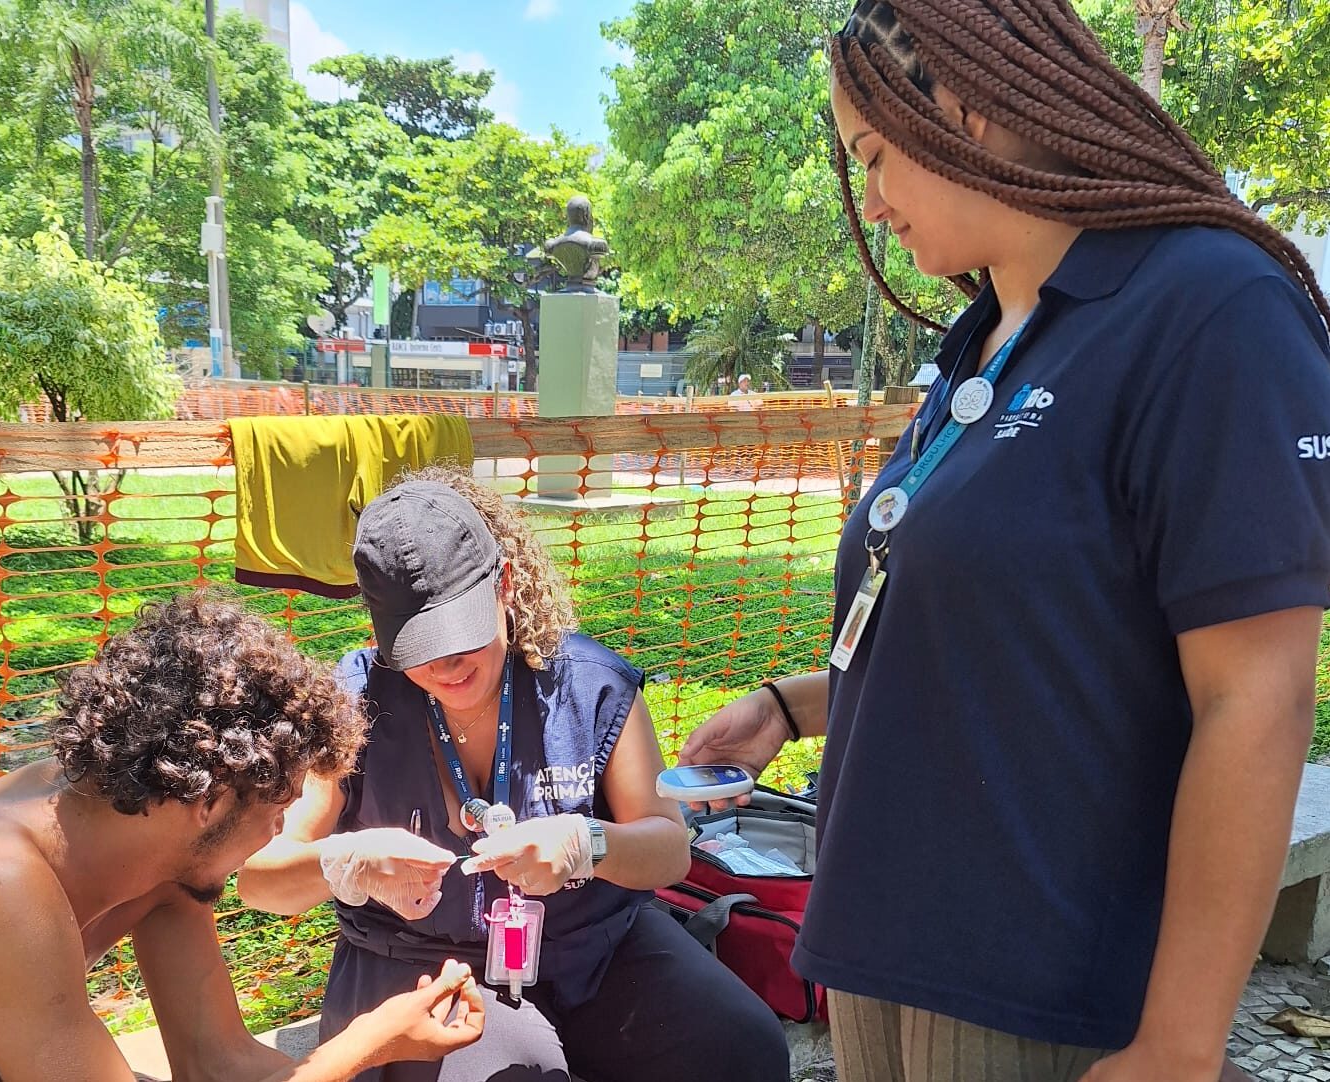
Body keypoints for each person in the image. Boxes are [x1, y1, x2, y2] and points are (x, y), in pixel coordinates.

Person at [678, 1, 1330, 1080]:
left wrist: (1176, 1044)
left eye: (876, 156)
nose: (873, 203)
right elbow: (1002, 639)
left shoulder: (1213, 309)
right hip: (876, 948)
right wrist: (790, 705)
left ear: (969, 107)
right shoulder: (988, 337)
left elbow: (1255, 696)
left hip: (1035, 987)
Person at [239, 467, 789, 1082]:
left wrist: (589, 846)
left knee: (743, 1049)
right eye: (416, 645)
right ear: (377, 626)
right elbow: (259, 882)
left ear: (504, 585)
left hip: (593, 952)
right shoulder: (353, 703)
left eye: (462, 634)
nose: (446, 665)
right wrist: (345, 861)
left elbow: (668, 852)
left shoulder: (591, 684)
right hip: (426, 968)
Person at [0, 591, 485, 1082]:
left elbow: (216, 1062)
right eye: (278, 811)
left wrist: (372, 1043)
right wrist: (366, 1043)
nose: (280, 832)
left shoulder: (154, 850)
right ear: (211, 799)